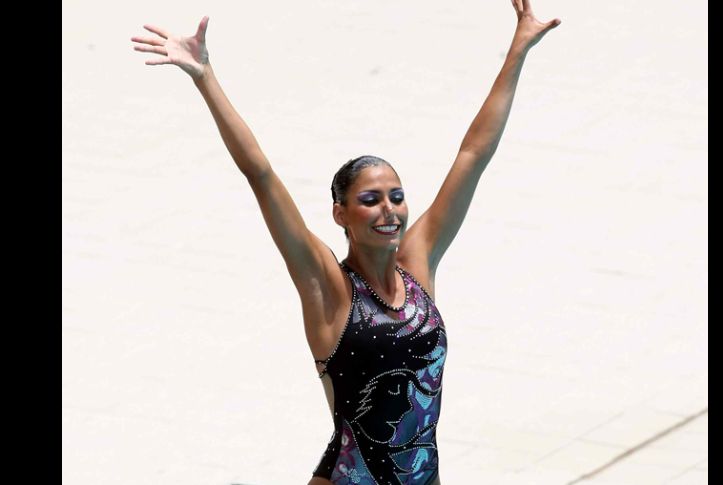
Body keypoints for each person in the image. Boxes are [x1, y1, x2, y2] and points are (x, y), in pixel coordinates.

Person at [131, 1, 559, 484]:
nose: (388, 210)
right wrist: (205, 76)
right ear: (341, 214)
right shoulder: (331, 289)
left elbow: (473, 153)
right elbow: (261, 174)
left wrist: (518, 49)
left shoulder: (417, 266)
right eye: (370, 200)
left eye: (396, 197)